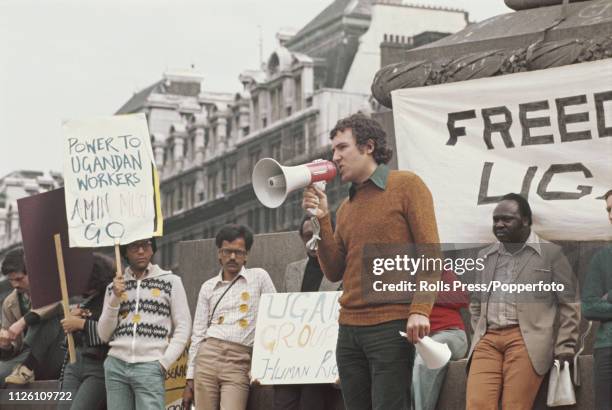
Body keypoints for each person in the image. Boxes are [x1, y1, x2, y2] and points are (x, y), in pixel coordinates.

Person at [302, 113, 441, 410]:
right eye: (333, 150)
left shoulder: (407, 185)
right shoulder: (346, 207)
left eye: (342, 148)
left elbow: (431, 253)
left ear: (368, 146)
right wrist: (324, 219)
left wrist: (420, 309)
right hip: (348, 332)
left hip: (390, 328)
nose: (335, 157)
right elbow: (334, 269)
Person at [466, 193, 580, 410]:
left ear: (526, 220)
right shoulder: (485, 256)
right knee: (476, 404)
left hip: (526, 339)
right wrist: (479, 333)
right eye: (495, 219)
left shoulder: (551, 254)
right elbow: (476, 301)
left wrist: (565, 346)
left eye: (506, 219)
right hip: (487, 341)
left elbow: (570, 303)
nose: (499, 224)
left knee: (515, 406)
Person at [182, 224, 276, 410]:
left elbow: (274, 319)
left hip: (239, 359)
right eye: (227, 251)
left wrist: (263, 364)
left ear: (246, 255)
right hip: (207, 357)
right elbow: (198, 334)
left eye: (238, 252)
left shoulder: (259, 278)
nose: (233, 257)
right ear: (219, 253)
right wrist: (190, 378)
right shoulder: (208, 287)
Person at [97, 237, 191, 410]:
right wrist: (114, 299)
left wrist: (164, 362)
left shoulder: (170, 282)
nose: (141, 251)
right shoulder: (114, 287)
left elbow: (184, 326)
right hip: (116, 364)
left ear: (153, 249)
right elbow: (103, 334)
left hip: (151, 365)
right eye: (134, 246)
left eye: (146, 245)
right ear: (125, 251)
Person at [273, 215, 341, 410]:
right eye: (308, 235)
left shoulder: (342, 271)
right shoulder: (291, 270)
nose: (313, 240)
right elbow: (279, 316)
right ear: (302, 238)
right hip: (289, 358)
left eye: (319, 234)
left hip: (322, 358)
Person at [58, 253, 115, 410]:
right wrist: (70, 324)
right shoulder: (82, 301)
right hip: (75, 363)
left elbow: (110, 335)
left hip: (98, 366)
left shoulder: (111, 298)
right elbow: (69, 340)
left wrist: (81, 323)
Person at [0, 248, 65, 385]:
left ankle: (27, 367)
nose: (15, 284)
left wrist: (23, 322)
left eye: (19, 279)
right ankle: (24, 370)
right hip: (22, 360)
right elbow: (14, 348)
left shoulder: (53, 287)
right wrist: (5, 345)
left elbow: (57, 304)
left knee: (47, 317)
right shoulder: (9, 303)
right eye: (11, 280)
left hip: (58, 354)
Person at [412, 269, 468, 410]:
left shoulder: (437, 268)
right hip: (415, 339)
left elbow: (461, 297)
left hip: (450, 334)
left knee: (423, 360)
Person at [581, 189, 612, 408]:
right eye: (609, 210)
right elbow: (589, 307)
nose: (610, 215)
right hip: (607, 346)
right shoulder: (602, 258)